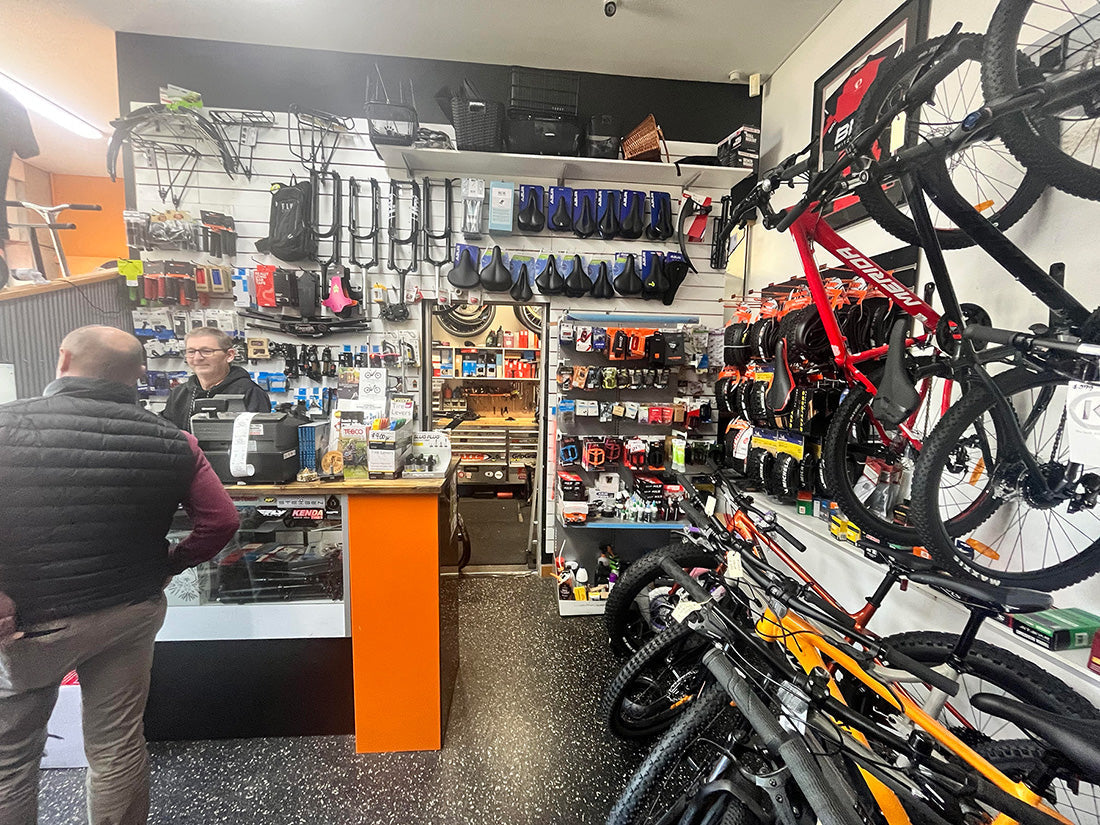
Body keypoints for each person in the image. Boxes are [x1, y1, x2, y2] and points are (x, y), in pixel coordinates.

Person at [0, 325, 240, 825]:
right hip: (130, 611)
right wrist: (169, 564)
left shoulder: (6, 425)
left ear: (63, 359)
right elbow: (221, 521)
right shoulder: (173, 440)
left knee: (12, 760)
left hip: (29, 621)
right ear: (139, 376)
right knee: (117, 745)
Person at [161, 327, 270, 432]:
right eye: (191, 352)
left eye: (207, 351)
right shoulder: (179, 393)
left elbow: (262, 438)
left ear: (229, 355)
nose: (197, 358)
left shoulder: (250, 392)